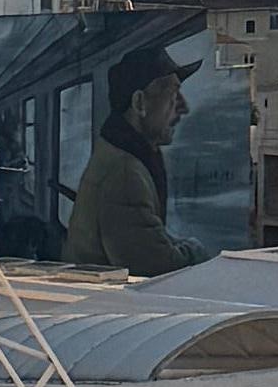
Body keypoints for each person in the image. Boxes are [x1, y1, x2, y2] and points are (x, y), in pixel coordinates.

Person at [65, 57, 202, 275]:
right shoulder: (124, 174)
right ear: (140, 103)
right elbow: (155, 266)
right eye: (173, 95)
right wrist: (195, 250)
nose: (183, 107)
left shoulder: (119, 156)